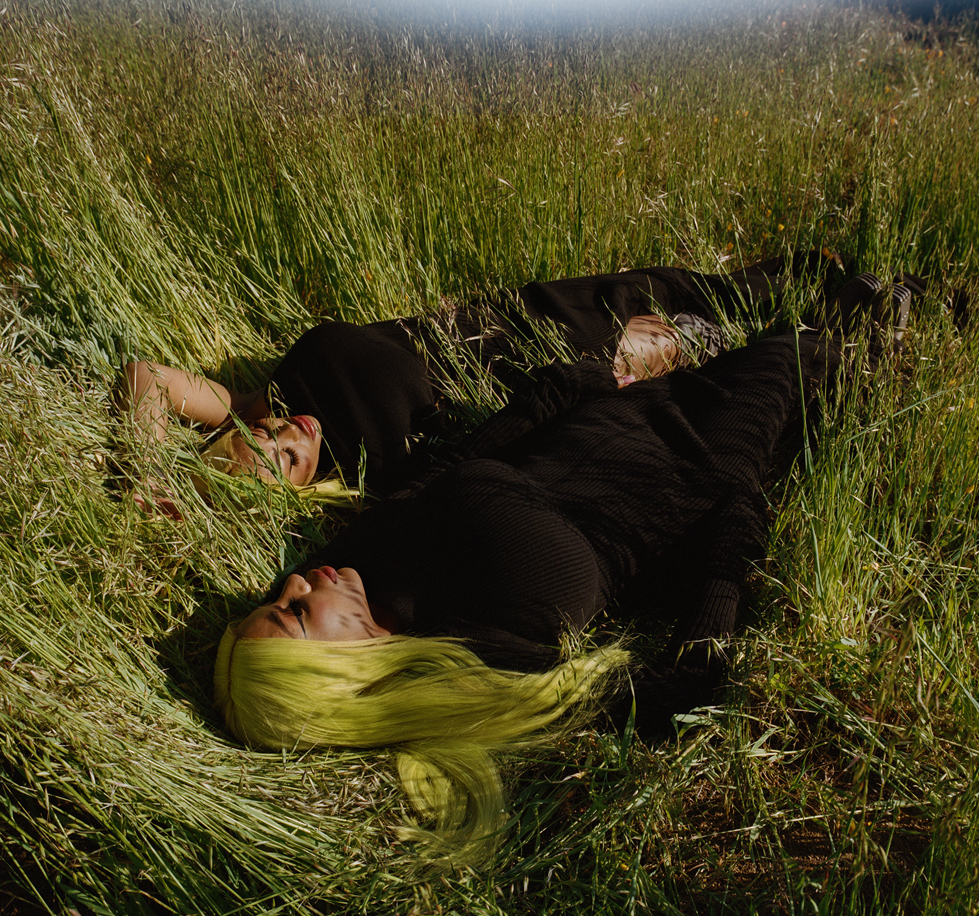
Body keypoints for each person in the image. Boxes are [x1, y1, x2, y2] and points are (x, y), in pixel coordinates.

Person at [214, 271, 918, 861]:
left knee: (800, 311)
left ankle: (887, 296)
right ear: (343, 670)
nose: (298, 581)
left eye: (282, 593)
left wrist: (565, 388)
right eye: (297, 612)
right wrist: (735, 504)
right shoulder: (479, 666)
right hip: (711, 444)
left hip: (622, 400)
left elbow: (446, 469)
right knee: (826, 347)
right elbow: (687, 689)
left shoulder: (350, 563)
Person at [120, 253, 833, 510]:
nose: (287, 438)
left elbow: (146, 375)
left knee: (685, 293)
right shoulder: (372, 478)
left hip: (512, 321)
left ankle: (832, 277)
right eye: (286, 464)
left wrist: (147, 467)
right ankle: (855, 320)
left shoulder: (251, 397)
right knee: (716, 348)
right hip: (542, 381)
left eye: (263, 438)